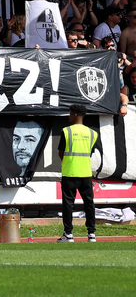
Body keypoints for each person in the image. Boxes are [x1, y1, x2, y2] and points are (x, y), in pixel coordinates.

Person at [57, 104, 102, 243]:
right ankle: (91, 234)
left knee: (68, 204)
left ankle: (68, 234)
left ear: (75, 114)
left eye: (70, 113)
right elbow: (90, 152)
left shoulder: (66, 131)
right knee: (89, 203)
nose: (69, 116)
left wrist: (69, 162)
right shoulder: (92, 133)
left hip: (70, 173)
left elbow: (61, 153)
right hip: (86, 173)